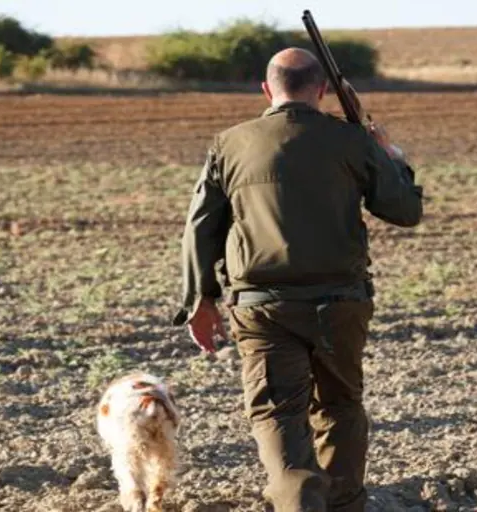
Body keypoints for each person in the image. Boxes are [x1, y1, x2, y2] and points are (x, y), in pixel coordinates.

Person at [172, 47, 423, 512]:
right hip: (342, 302)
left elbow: (199, 228)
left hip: (263, 308)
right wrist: (390, 154)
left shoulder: (229, 144)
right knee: (341, 407)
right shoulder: (352, 141)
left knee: (278, 415)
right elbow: (405, 211)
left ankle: (300, 503)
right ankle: (344, 505)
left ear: (267, 90)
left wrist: (200, 300)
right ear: (322, 90)